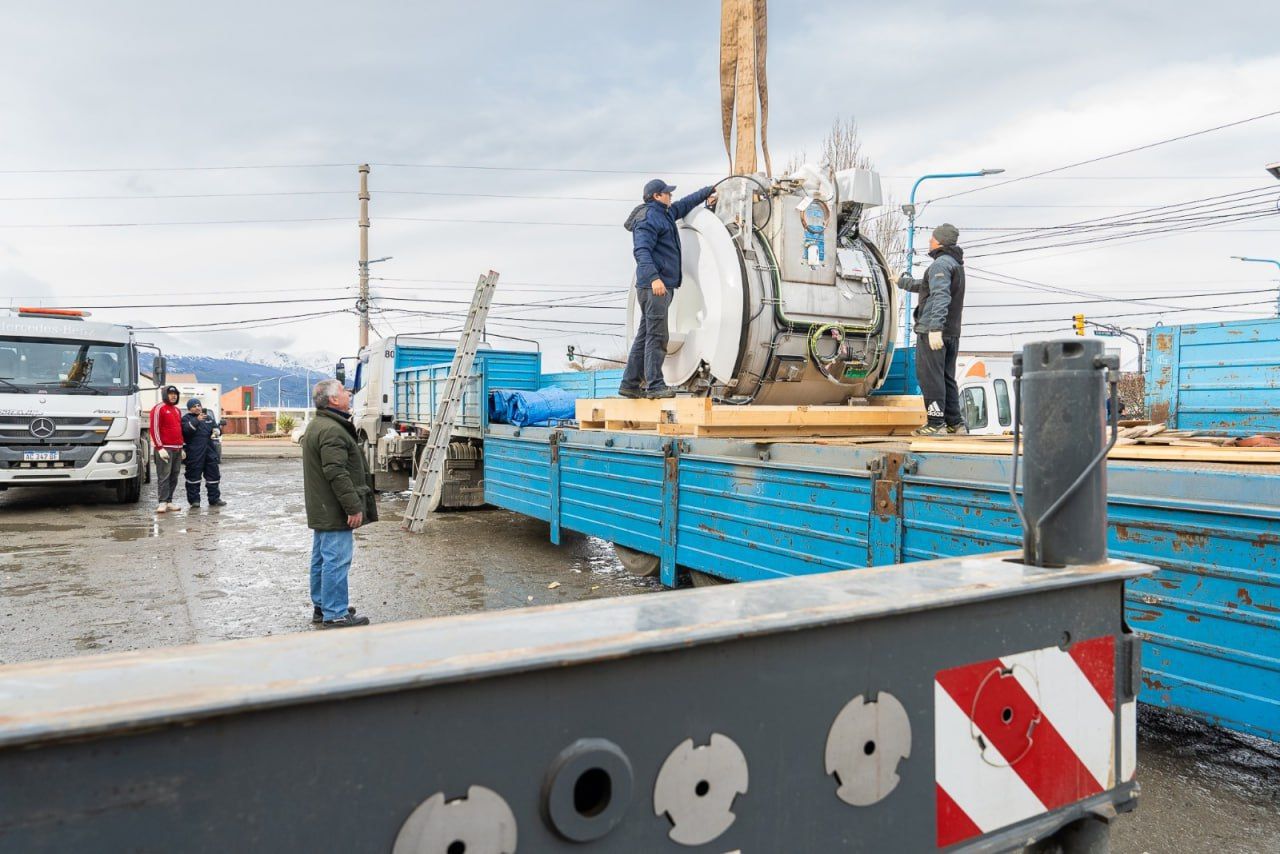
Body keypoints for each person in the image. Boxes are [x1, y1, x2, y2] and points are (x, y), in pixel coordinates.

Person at [619, 178, 717, 399]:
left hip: (662, 286)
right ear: (656, 196)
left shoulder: (665, 214)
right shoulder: (648, 218)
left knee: (645, 335)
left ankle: (629, 384)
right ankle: (655, 385)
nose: (671, 196)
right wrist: (655, 279)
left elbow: (685, 204)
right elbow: (641, 251)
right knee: (657, 335)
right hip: (653, 287)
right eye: (667, 193)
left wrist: (708, 190)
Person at [301, 379, 377, 629]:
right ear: (333, 399)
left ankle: (323, 606)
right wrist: (353, 506)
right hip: (334, 509)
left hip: (324, 507)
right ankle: (335, 613)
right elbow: (336, 472)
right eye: (344, 391)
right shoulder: (332, 429)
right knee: (336, 560)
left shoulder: (320, 424)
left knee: (322, 559)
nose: (348, 393)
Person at [897, 223, 967, 436]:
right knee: (946, 377)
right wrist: (902, 282)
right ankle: (955, 423)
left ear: (940, 241)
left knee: (930, 376)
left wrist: (935, 328)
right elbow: (926, 285)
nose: (929, 240)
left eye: (932, 238)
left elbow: (940, 295)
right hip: (952, 332)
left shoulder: (940, 264)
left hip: (934, 332)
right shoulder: (954, 264)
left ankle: (935, 423)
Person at [181, 398, 225, 508]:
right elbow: (186, 430)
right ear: (189, 409)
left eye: (199, 405)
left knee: (213, 476)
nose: (197, 408)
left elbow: (216, 429)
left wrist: (217, 430)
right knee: (193, 478)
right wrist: (197, 420)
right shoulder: (186, 419)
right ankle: (194, 501)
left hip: (209, 452)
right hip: (194, 453)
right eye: (194, 406)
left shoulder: (208, 418)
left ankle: (214, 499)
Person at [149, 385, 184, 512]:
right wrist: (159, 448)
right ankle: (162, 502)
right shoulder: (159, 408)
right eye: (170, 393)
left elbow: (179, 429)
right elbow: (154, 428)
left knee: (174, 476)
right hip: (165, 449)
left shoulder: (177, 410)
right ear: (165, 395)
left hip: (177, 449)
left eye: (175, 394)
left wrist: (181, 447)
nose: (173, 396)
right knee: (164, 476)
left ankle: (169, 501)